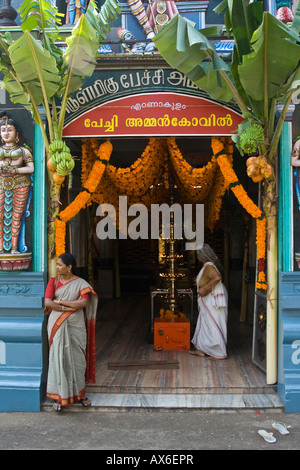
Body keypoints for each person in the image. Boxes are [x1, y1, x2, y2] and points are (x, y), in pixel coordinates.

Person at [44, 253, 98, 412]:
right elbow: (47, 302)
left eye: (60, 265)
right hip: (57, 323)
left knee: (77, 359)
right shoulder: (53, 282)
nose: (57, 267)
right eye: (57, 265)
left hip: (75, 325)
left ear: (69, 267)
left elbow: (83, 302)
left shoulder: (81, 283)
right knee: (59, 358)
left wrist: (60, 302)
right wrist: (65, 308)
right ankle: (59, 397)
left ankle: (79, 395)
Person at [0, 114, 34, 254]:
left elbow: (31, 168)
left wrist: (15, 170)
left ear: (17, 133)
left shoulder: (23, 151)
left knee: (17, 216)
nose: (6, 133)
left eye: (10, 130)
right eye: (3, 130)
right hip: (1, 183)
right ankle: (1, 248)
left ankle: (14, 248)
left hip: (20, 184)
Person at [190, 244, 228, 360]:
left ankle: (219, 353)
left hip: (212, 301)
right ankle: (202, 349)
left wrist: (204, 288)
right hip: (206, 300)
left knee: (212, 324)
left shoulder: (209, 266)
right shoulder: (207, 266)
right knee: (204, 324)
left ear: (201, 256)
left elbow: (217, 278)